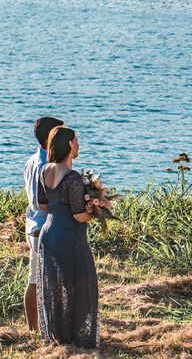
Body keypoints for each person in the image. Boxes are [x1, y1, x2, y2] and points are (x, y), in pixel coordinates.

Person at [37, 126, 99, 348]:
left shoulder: (44, 171)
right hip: (70, 237)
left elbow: (43, 205)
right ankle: (79, 338)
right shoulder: (72, 177)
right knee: (81, 283)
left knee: (54, 286)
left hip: (49, 234)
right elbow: (79, 216)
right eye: (77, 140)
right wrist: (95, 210)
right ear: (70, 144)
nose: (78, 144)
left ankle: (58, 336)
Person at [23, 116, 63, 330]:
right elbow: (45, 201)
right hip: (44, 227)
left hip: (33, 224)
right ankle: (48, 327)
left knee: (34, 278)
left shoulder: (31, 160)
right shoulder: (46, 164)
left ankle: (34, 328)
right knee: (47, 281)